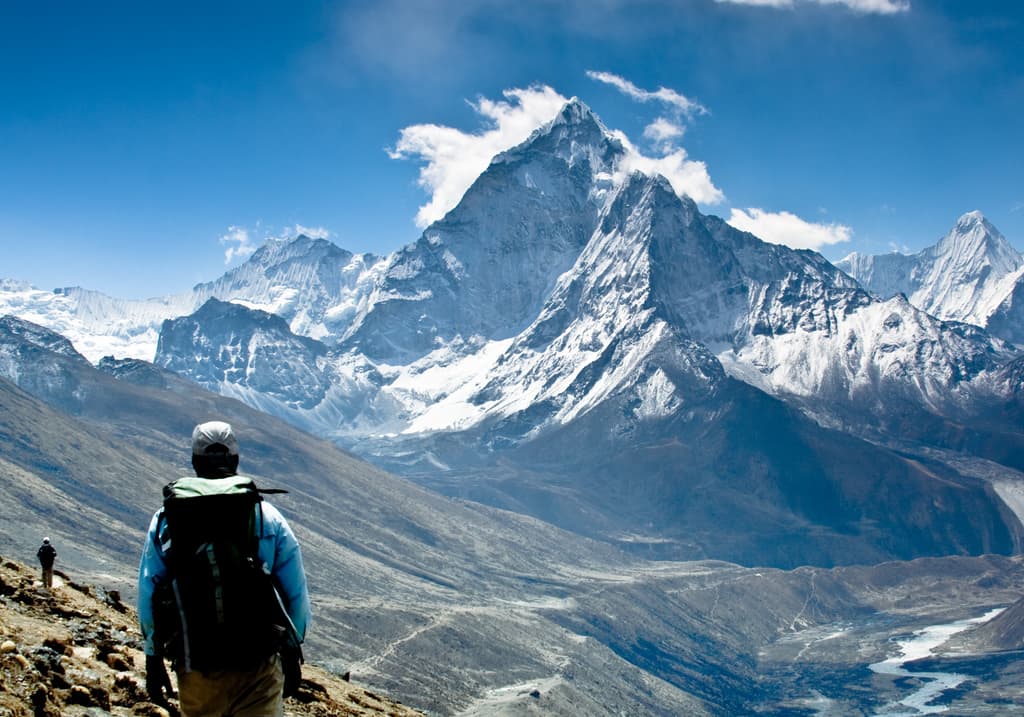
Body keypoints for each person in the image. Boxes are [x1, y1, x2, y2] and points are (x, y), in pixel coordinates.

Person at [137, 421, 311, 716]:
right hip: (258, 664)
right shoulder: (264, 516)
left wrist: (153, 658)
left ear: (194, 461)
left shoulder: (167, 518)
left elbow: (149, 588)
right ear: (236, 459)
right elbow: (295, 594)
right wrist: (293, 650)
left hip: (196, 663)